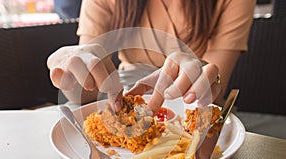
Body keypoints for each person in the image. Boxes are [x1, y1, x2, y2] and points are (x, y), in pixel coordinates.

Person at [47, 0, 256, 113]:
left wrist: (204, 74)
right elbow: (86, 92)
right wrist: (73, 75)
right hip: (121, 92)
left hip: (189, 104)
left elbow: (214, 92)